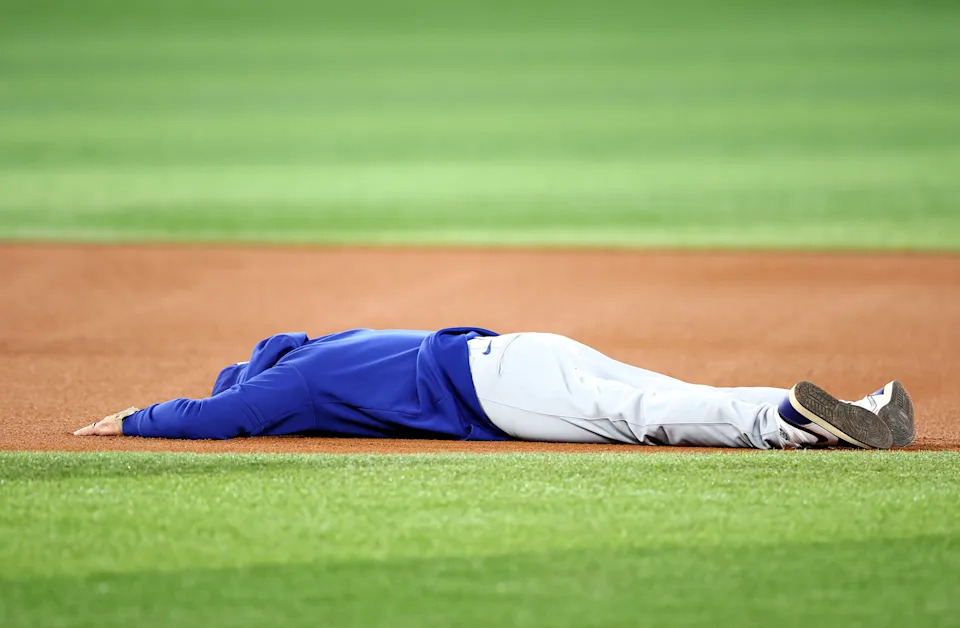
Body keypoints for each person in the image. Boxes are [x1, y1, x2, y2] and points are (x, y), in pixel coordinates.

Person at [74, 327, 915, 449]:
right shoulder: (335, 342)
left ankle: (789, 426)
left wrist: (134, 419)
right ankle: (850, 410)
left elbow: (218, 417)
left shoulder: (295, 383)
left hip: (497, 390)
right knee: (666, 386)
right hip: (518, 345)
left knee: (642, 415)